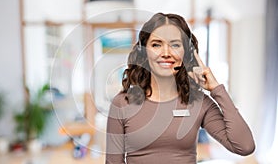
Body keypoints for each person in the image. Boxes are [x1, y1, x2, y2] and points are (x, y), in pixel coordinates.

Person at [105, 12, 255, 164]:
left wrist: (216, 88)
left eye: (175, 45)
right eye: (156, 44)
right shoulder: (122, 103)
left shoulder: (198, 102)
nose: (166, 53)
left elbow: (245, 146)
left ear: (186, 52)